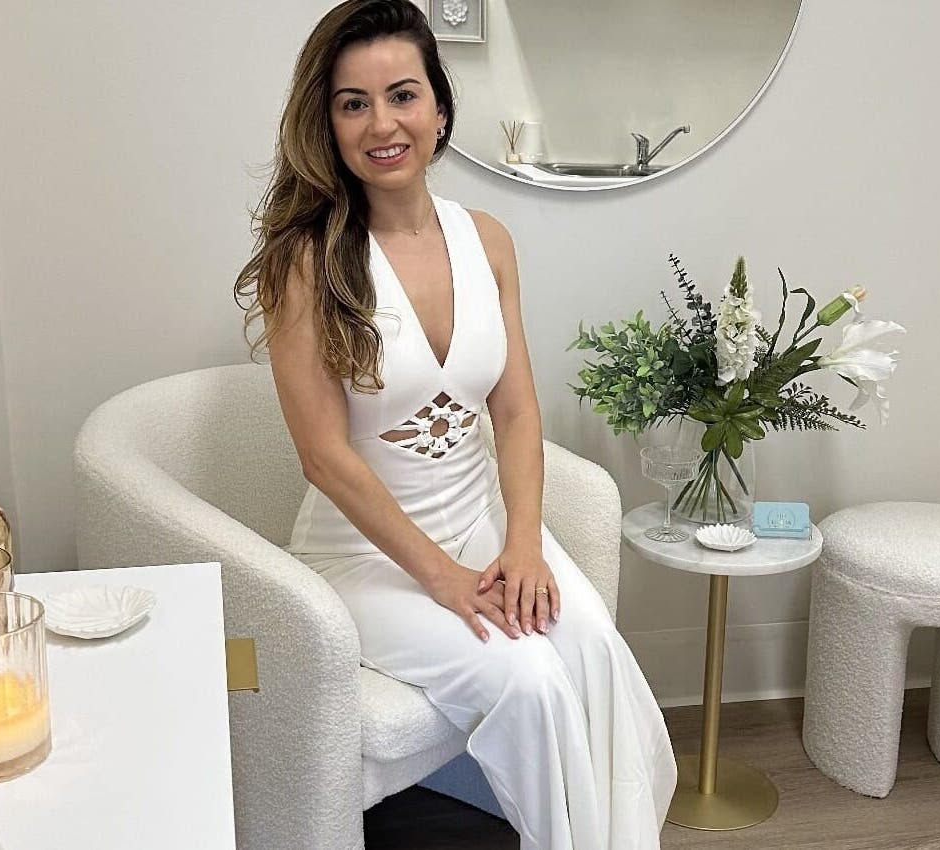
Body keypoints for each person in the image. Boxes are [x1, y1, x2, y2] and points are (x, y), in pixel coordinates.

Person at [234, 2, 676, 846]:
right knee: (530, 681)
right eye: (352, 103)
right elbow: (325, 459)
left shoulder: (490, 240)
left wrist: (523, 544)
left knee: (587, 647)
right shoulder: (308, 260)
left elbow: (514, 411)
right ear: (327, 124)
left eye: (402, 94)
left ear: (440, 107)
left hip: (481, 527)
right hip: (361, 560)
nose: (382, 123)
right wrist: (442, 578)